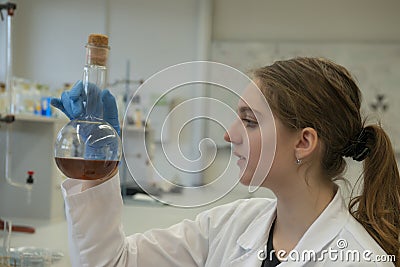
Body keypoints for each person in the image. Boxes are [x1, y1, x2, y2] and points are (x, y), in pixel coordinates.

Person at [52, 57, 399, 266]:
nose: (229, 135)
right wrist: (96, 160)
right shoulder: (231, 225)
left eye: (249, 121)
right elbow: (113, 263)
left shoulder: (361, 258)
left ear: (304, 142)